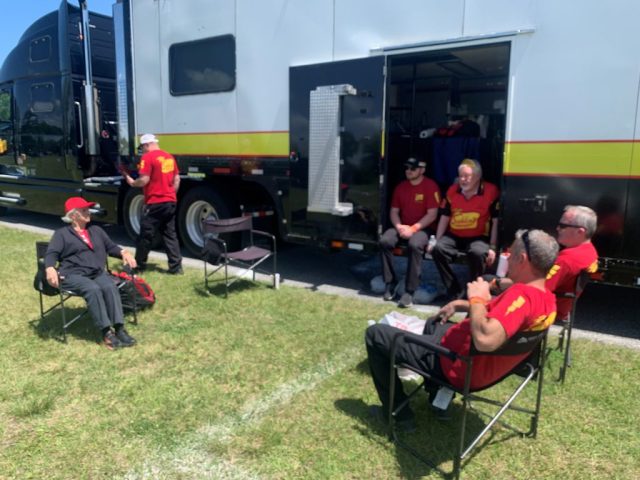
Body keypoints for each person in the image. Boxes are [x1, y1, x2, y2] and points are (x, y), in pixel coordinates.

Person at [365, 229, 558, 429]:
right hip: (477, 366)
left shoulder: (521, 296)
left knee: (376, 334)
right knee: (434, 322)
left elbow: (485, 340)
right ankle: (438, 400)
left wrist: (477, 298)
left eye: (510, 253)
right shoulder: (547, 299)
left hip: (458, 367)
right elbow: (498, 314)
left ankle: (399, 416)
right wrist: (460, 304)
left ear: (522, 259)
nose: (507, 258)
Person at [45, 197, 138, 350]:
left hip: (96, 272)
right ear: (73, 215)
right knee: (92, 289)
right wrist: (50, 268)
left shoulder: (96, 230)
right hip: (73, 275)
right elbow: (51, 253)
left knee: (109, 286)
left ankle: (119, 328)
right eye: (84, 210)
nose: (88, 212)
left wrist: (124, 252)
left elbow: (111, 247)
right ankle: (106, 332)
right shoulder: (61, 234)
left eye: (88, 209)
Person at [493, 205, 599, 321]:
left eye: (563, 226)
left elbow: (536, 288)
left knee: (488, 281)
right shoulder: (590, 251)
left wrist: (497, 283)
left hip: (546, 308)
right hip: (562, 304)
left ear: (580, 231)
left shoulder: (567, 260)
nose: (557, 228)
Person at [430, 158, 499, 300]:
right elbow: (445, 217)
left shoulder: (491, 191)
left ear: (477, 177)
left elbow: (496, 221)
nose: (462, 179)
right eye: (460, 176)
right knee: (438, 250)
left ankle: (474, 292)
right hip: (455, 234)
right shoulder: (452, 190)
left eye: (467, 176)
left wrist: (493, 246)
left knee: (477, 252)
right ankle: (454, 292)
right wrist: (436, 240)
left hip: (479, 235)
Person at [379, 157, 440, 308]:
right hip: (403, 225)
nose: (408, 171)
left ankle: (410, 290)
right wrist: (399, 226)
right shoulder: (401, 187)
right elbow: (394, 211)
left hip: (424, 228)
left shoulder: (431, 186)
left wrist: (413, 229)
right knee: (385, 241)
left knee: (414, 244)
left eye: (413, 168)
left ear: (422, 170)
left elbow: (432, 214)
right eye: (407, 168)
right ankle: (390, 282)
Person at [124, 133, 183, 274]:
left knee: (146, 235)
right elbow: (177, 179)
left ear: (146, 145)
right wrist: (171, 195)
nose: (142, 151)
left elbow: (144, 180)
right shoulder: (169, 157)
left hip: (155, 202)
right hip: (170, 201)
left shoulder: (147, 157)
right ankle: (176, 267)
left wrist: (133, 183)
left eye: (142, 148)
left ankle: (139, 265)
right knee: (170, 234)